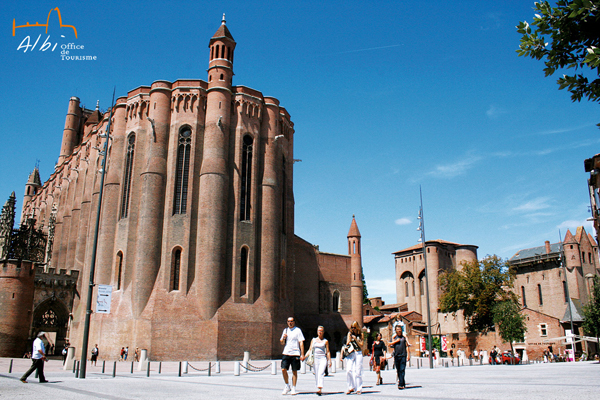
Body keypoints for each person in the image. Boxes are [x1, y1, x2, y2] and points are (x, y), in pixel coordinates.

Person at [280, 317, 305, 396]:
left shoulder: (298, 330)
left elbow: (301, 342)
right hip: (286, 352)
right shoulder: (285, 330)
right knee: (283, 369)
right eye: (289, 321)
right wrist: (283, 338)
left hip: (295, 353)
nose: (290, 323)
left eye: (291, 321)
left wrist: (302, 354)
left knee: (294, 371)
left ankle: (294, 387)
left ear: (294, 322)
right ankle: (287, 385)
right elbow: (281, 342)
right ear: (287, 322)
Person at [304, 326, 331, 396]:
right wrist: (304, 356)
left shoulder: (325, 341)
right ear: (317, 332)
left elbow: (328, 351)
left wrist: (330, 361)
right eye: (319, 330)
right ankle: (318, 387)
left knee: (321, 372)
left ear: (323, 332)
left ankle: (320, 387)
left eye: (321, 331)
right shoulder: (313, 340)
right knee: (316, 373)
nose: (320, 332)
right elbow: (310, 349)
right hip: (315, 358)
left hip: (323, 358)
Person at [345, 321, 365, 395]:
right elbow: (347, 343)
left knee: (358, 372)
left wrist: (356, 339)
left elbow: (362, 345)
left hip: (358, 352)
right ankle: (350, 387)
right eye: (352, 327)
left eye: (354, 328)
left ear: (357, 328)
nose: (353, 329)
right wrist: (350, 337)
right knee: (348, 370)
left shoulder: (361, 334)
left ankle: (359, 388)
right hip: (351, 353)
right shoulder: (349, 334)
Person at [389, 324, 410, 390]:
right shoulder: (394, 337)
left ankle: (400, 384)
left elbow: (407, 346)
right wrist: (396, 341)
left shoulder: (404, 338)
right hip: (396, 355)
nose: (399, 330)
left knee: (402, 369)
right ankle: (402, 382)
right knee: (398, 370)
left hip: (403, 355)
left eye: (400, 329)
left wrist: (408, 355)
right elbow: (389, 344)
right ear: (395, 330)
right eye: (397, 329)